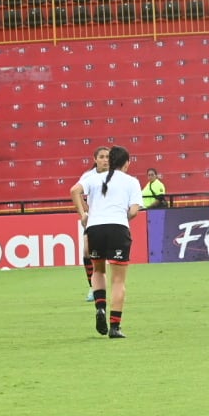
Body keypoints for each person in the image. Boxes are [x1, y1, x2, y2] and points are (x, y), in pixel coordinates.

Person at [72, 145, 143, 338]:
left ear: (110, 161)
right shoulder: (131, 182)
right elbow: (135, 211)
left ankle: (100, 307)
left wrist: (83, 215)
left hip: (95, 228)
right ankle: (114, 327)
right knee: (118, 280)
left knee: (98, 270)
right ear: (126, 163)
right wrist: (120, 217)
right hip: (118, 228)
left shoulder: (93, 178)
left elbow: (74, 190)